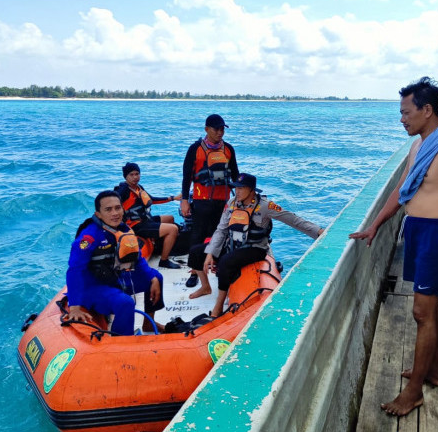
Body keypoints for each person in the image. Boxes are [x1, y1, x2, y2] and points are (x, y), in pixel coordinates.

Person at [349, 77, 438, 417]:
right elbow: (403, 191)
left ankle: (413, 392)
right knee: (431, 308)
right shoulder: (418, 146)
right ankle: (433, 372)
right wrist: (376, 223)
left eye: (406, 112)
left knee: (421, 312)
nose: (402, 119)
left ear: (427, 110)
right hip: (417, 230)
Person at [189, 173, 323, 317]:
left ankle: (219, 305)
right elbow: (221, 230)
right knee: (195, 252)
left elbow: (293, 220)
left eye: (241, 188)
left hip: (255, 248)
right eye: (236, 188)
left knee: (225, 263)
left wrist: (318, 231)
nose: (237, 192)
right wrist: (210, 253)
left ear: (252, 190)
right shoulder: (232, 203)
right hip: (233, 245)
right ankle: (205, 287)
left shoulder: (266, 206)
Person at [66, 190, 165, 335]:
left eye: (118, 208)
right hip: (92, 287)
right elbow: (74, 270)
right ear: (98, 214)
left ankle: (148, 324)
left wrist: (151, 276)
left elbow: (137, 258)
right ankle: (122, 340)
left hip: (114, 279)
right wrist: (74, 306)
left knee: (156, 277)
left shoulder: (123, 230)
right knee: (125, 302)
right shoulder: (89, 237)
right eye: (108, 209)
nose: (115, 213)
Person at [181, 114, 239, 297]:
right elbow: (186, 177)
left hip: (222, 202)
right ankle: (194, 271)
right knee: (197, 236)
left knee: (219, 235)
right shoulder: (195, 149)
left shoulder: (228, 149)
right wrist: (184, 200)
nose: (220, 132)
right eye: (216, 129)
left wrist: (239, 199)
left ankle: (217, 267)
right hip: (201, 201)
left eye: (222, 129)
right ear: (206, 129)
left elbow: (236, 176)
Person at [114, 162, 181, 269]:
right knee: (173, 229)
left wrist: (173, 198)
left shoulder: (138, 187)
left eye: (137, 174)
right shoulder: (123, 191)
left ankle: (163, 245)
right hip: (136, 226)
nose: (135, 177)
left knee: (170, 218)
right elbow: (112, 203)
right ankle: (164, 261)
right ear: (125, 176)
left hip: (146, 220)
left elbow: (152, 199)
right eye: (132, 175)